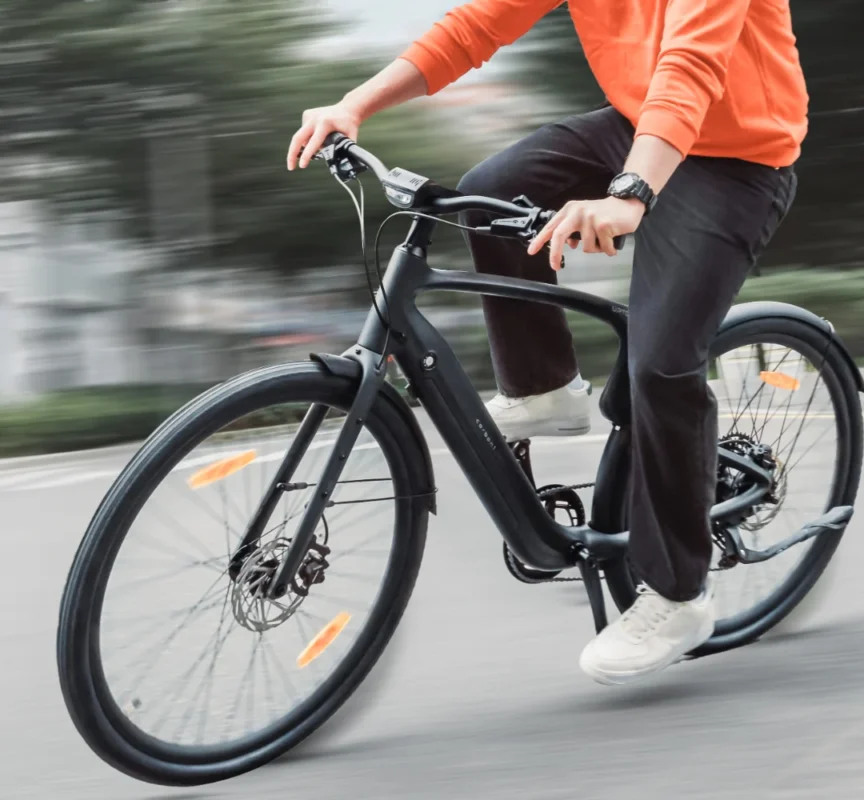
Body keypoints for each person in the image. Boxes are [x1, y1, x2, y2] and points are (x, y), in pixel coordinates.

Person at [287, 0, 807, 686]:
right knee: (486, 193)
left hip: (736, 159)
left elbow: (691, 62)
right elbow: (477, 27)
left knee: (659, 367)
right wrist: (354, 104)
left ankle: (680, 595)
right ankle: (543, 388)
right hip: (636, 125)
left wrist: (630, 192)